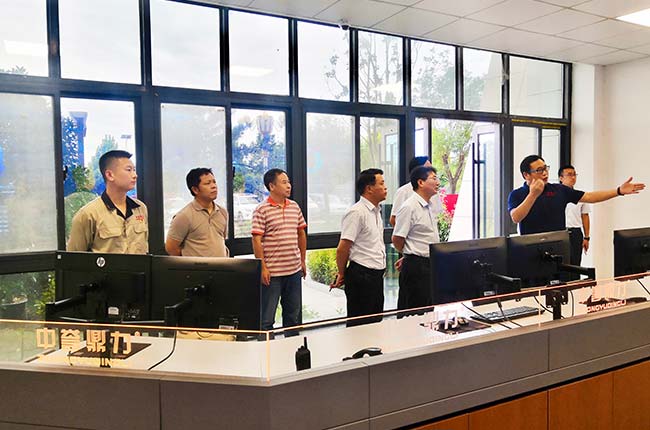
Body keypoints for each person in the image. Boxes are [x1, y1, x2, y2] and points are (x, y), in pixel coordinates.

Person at [509, 155, 645, 235]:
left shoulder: (559, 189)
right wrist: (533, 195)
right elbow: (516, 217)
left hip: (558, 244)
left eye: (545, 168)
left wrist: (618, 191)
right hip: (530, 247)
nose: (545, 173)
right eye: (539, 170)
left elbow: (590, 197)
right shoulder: (517, 194)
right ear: (526, 175)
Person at [251, 169, 307, 334]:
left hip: (293, 270)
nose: (289, 186)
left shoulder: (294, 207)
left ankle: (293, 346)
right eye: (284, 182)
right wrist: (263, 267)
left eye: (288, 182)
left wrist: (302, 261)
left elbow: (301, 234)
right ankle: (266, 349)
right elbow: (256, 240)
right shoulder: (261, 209)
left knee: (293, 316)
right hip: (272, 273)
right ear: (272, 186)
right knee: (267, 319)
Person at [331, 168, 387, 327]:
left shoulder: (376, 211)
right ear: (369, 188)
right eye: (381, 183)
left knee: (375, 322)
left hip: (376, 276)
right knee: (359, 326)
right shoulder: (356, 212)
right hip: (362, 275)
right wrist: (342, 273)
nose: (385, 187)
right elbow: (343, 248)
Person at [67, 150, 148, 254]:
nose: (135, 175)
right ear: (110, 175)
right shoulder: (88, 214)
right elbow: (74, 258)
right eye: (129, 170)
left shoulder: (140, 208)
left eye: (134, 170)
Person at [392, 166, 441, 311]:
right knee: (415, 311)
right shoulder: (409, 206)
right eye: (433, 178)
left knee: (428, 309)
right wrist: (409, 255)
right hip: (417, 267)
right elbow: (397, 238)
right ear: (420, 182)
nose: (438, 182)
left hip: (429, 264)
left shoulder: (429, 206)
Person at [165, 168, 229, 257]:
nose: (214, 186)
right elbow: (171, 248)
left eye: (214, 182)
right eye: (207, 183)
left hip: (222, 265)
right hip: (196, 266)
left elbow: (222, 239)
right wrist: (190, 261)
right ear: (195, 190)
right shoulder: (184, 216)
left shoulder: (222, 212)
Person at [389, 156, 443, 227]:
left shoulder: (434, 193)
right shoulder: (403, 191)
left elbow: (439, 216)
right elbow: (394, 219)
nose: (432, 171)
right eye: (428, 169)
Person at [558, 165, 590, 266]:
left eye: (574, 175)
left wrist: (587, 237)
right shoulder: (555, 195)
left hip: (575, 232)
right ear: (561, 178)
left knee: (575, 264)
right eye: (569, 175)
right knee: (560, 264)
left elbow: (585, 216)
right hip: (560, 232)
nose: (573, 177)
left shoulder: (580, 195)